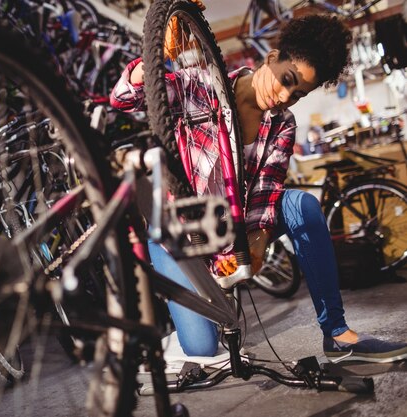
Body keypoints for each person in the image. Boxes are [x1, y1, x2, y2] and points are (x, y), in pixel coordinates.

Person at [110, 13, 407, 363]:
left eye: (298, 94)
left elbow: (268, 189)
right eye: (286, 80)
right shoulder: (199, 87)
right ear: (271, 58)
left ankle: (338, 333)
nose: (284, 96)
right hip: (182, 232)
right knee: (202, 350)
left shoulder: (282, 124)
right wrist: (151, 59)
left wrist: (257, 245)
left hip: (240, 222)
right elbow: (122, 98)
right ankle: (176, 334)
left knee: (303, 206)